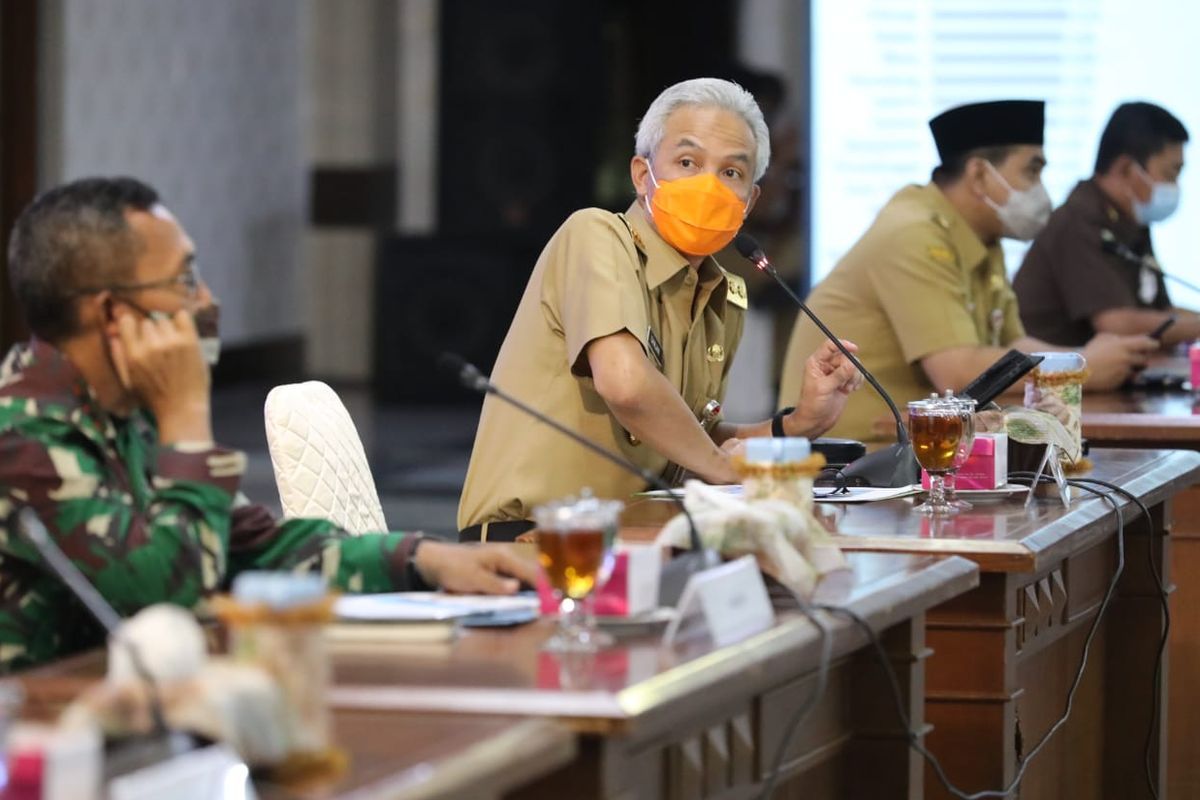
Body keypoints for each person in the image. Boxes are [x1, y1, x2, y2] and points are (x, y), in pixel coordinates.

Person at [0, 177, 537, 671]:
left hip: (135, 726)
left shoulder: (123, 416)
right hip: (43, 736)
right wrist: (186, 417)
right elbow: (169, 594)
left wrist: (423, 559)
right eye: (185, 279)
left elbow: (255, 548)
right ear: (113, 314)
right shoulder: (21, 439)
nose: (207, 300)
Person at [457, 78, 863, 541]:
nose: (708, 185)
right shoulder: (596, 235)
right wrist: (717, 464)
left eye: (731, 173)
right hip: (536, 540)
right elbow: (626, 384)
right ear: (641, 174)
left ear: (750, 201)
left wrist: (798, 423)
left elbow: (691, 442)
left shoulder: (720, 293)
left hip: (640, 539)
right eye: (687, 162)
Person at [778, 100, 1156, 443]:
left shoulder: (981, 238)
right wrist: (1079, 367)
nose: (1042, 193)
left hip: (927, 450)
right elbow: (957, 372)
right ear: (979, 176)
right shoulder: (915, 232)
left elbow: (1013, 350)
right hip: (854, 466)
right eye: (1031, 172)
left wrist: (1075, 361)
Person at [1014, 102, 1192, 346]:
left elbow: (1162, 311)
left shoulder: (1131, 222)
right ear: (1127, 169)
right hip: (1052, 380)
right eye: (1170, 174)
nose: (1175, 187)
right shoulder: (1078, 220)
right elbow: (1117, 324)